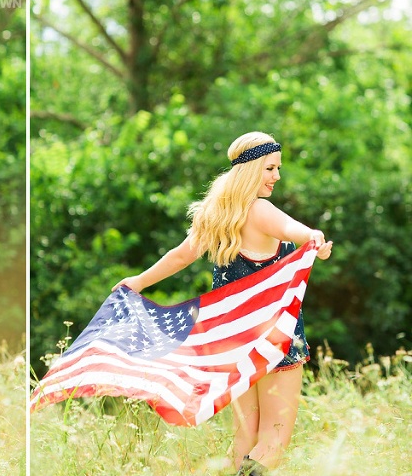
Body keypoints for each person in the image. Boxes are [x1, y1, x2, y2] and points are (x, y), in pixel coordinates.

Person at [113, 131, 332, 476]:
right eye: (270, 168)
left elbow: (180, 256)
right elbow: (293, 228)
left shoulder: (218, 216)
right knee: (274, 440)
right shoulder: (260, 210)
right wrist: (313, 237)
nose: (277, 176)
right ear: (251, 169)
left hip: (236, 342)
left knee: (245, 439)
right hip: (274, 339)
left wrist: (139, 281)